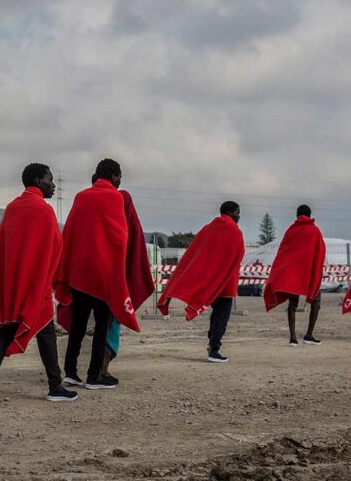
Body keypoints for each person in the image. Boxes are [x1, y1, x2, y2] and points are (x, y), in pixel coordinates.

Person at [0, 164, 77, 405]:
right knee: (46, 332)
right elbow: (55, 249)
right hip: (35, 286)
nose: (53, 185)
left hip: (12, 285)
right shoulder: (44, 210)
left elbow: (1, 250)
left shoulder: (12, 208)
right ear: (38, 181)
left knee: (7, 333)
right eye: (50, 180)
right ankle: (55, 387)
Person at [55, 159, 140, 390]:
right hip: (103, 274)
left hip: (80, 275)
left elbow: (70, 232)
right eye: (120, 176)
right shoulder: (115, 197)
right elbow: (119, 237)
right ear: (114, 176)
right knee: (102, 325)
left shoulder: (81, 197)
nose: (120, 181)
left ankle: (70, 372)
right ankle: (94, 376)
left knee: (78, 326)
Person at [157, 202, 246, 362]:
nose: (239, 216)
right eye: (237, 213)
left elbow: (196, 253)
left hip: (212, 282)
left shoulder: (208, 229)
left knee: (216, 313)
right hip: (226, 282)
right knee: (222, 315)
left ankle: (212, 343)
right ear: (230, 212)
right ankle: (214, 348)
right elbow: (238, 255)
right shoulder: (235, 232)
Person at [94, 188, 155, 380]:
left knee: (101, 326)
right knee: (109, 325)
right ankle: (100, 371)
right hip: (114, 284)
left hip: (96, 283)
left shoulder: (100, 216)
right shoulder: (125, 212)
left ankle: (91, 370)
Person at [263, 205, 326, 347]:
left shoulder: (291, 230)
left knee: (292, 304)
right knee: (316, 302)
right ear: (310, 215)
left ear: (297, 215)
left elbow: (283, 252)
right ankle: (309, 335)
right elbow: (320, 252)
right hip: (308, 274)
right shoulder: (315, 231)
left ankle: (293, 338)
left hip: (292, 275)